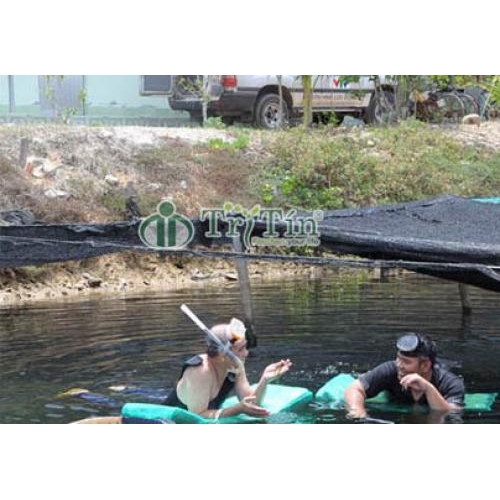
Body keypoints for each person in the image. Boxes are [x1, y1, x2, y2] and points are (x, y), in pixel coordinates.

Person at [164, 317, 292, 419]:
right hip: (168, 421)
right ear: (223, 354)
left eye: (245, 347)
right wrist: (237, 409)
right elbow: (197, 416)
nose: (246, 353)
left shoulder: (235, 365)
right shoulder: (200, 371)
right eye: (241, 349)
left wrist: (265, 380)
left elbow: (251, 404)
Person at [344, 332, 464, 419]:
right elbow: (355, 389)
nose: (399, 365)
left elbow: (450, 415)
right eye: (398, 358)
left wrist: (428, 389)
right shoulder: (390, 370)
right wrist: (358, 411)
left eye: (406, 362)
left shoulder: (451, 383)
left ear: (425, 366)